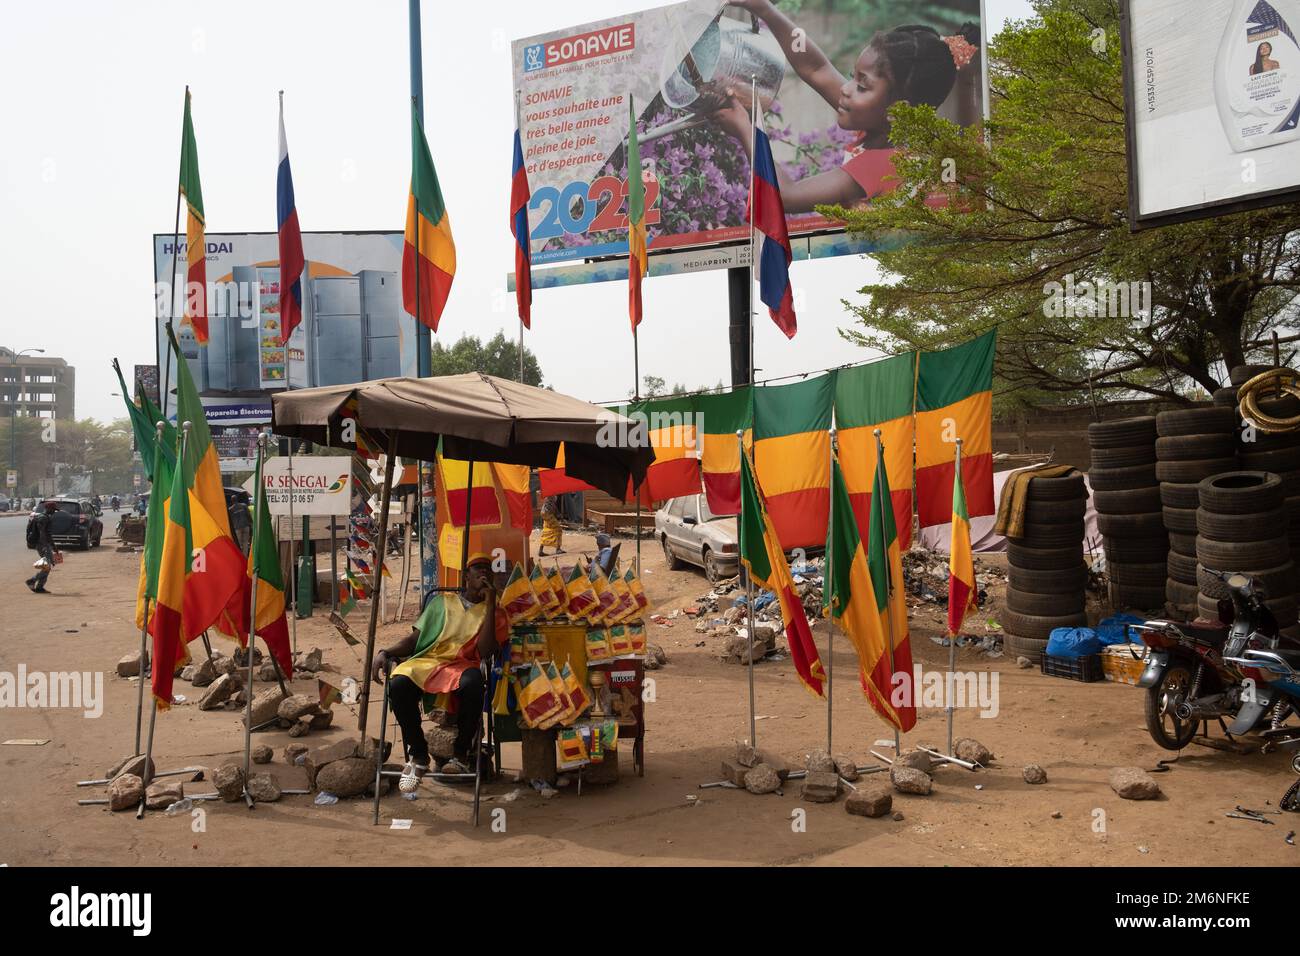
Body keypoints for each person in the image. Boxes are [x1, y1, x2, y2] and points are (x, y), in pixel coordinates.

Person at [716, 0, 981, 213]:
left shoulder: (883, 163)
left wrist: (745, 128)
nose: (845, 88)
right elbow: (816, 68)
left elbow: (785, 197)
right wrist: (765, 9)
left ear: (897, 110)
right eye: (853, 77)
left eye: (862, 86)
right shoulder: (888, 128)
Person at [371, 553, 508, 791]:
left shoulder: (495, 611)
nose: (483, 572)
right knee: (399, 682)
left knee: (474, 683)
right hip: (429, 661)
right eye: (477, 568)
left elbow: (485, 651)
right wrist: (385, 651)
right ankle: (418, 754)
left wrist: (490, 604)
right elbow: (415, 639)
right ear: (466, 576)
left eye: (488, 569)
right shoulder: (441, 602)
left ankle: (461, 754)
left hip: (463, 664)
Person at [26, 500, 59, 594]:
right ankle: (32, 580)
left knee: (47, 566)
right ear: (48, 509)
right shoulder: (43, 518)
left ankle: (40, 587)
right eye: (53, 509)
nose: (54, 512)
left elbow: (47, 534)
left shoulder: (44, 517)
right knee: (47, 566)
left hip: (44, 544)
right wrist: (47, 546)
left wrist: (53, 547)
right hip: (43, 545)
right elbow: (43, 533)